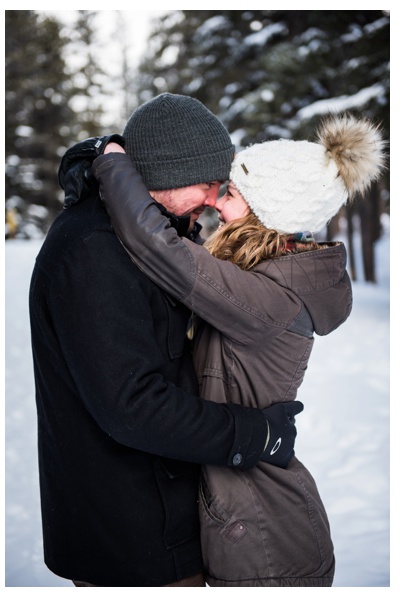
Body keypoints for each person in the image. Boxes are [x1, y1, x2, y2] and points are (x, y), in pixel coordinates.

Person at [93, 113, 384, 586]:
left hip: (269, 542)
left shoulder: (269, 301)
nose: (216, 205)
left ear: (266, 213)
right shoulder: (271, 275)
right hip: (250, 521)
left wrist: (112, 164)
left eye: (229, 194)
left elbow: (160, 248)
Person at [30, 93, 303, 587]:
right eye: (207, 183)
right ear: (165, 175)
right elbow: (132, 405)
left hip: (161, 517)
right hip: (134, 542)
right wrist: (253, 434)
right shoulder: (96, 250)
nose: (215, 199)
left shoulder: (150, 236)